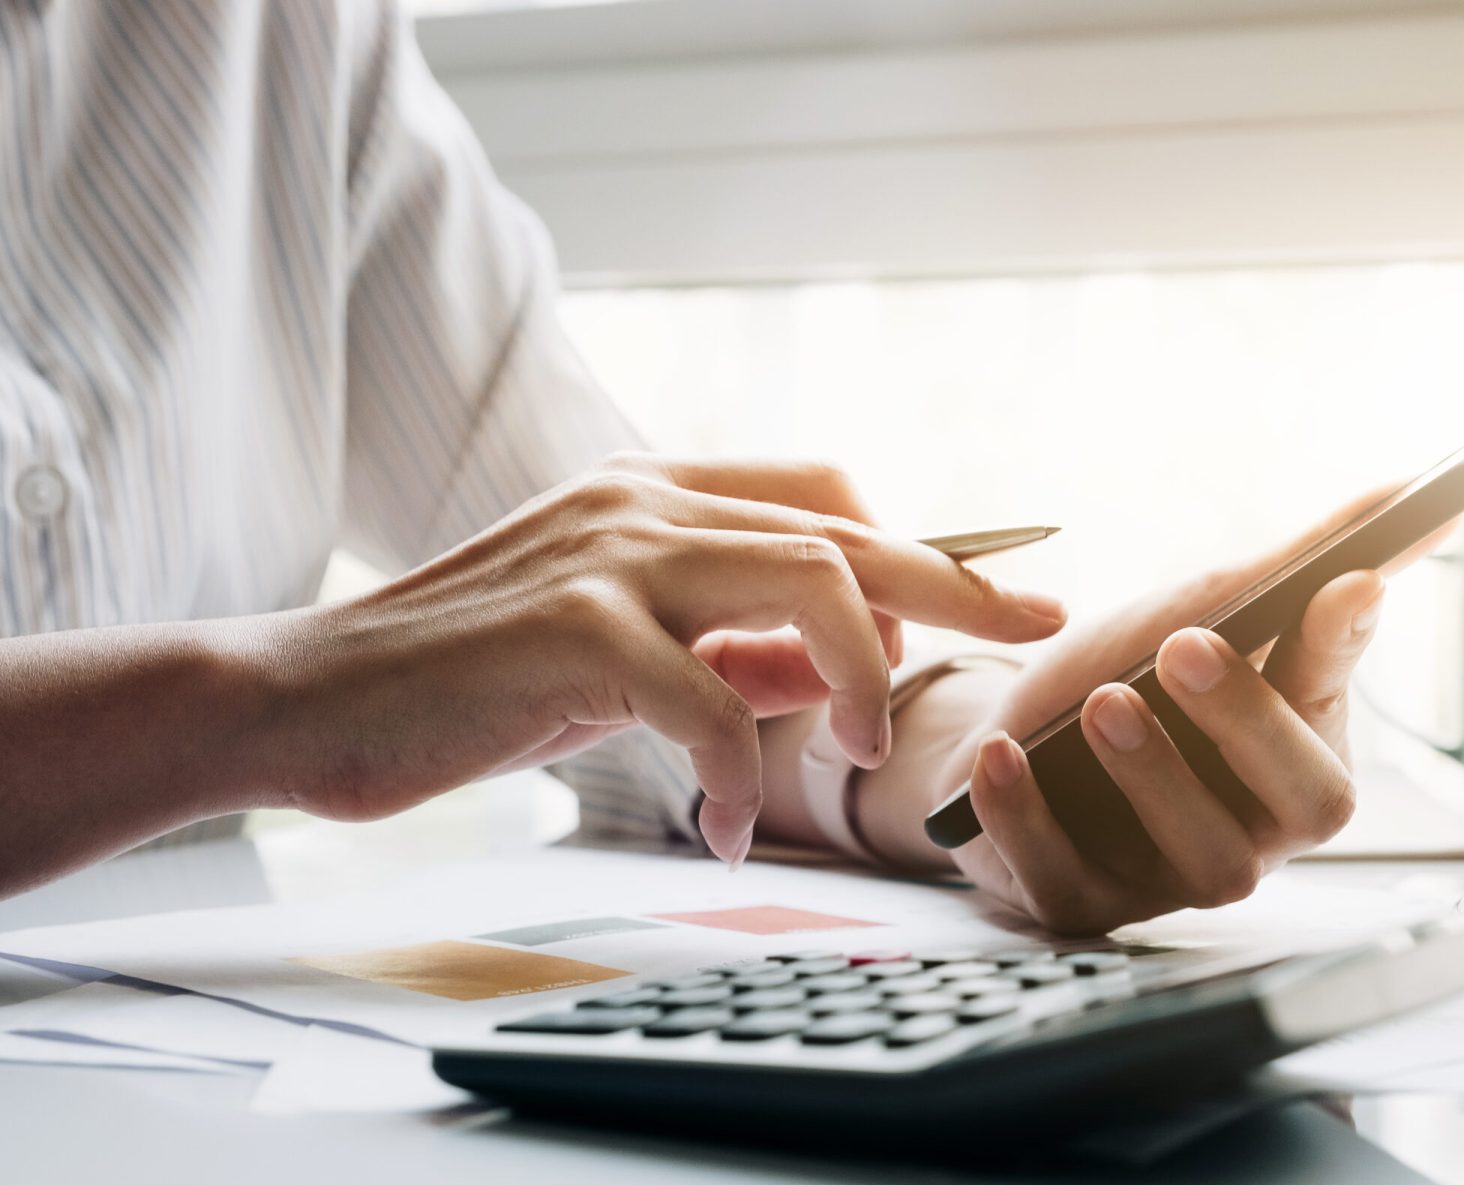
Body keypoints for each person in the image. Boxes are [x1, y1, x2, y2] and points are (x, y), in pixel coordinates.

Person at [0, 0, 1387, 935]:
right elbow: (447, 655)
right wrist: (276, 697)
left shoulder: (280, 35)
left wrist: (1001, 760)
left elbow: (642, 661)